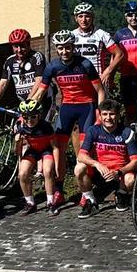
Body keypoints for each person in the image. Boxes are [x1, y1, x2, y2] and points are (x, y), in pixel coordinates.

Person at [30, 30, 105, 211]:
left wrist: (100, 114)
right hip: (67, 108)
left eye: (68, 48)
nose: (64, 52)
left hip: (86, 107)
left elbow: (100, 91)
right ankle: (59, 189)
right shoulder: (52, 67)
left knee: (83, 151)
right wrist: (29, 109)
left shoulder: (85, 64)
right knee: (59, 149)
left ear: (73, 47)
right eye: (61, 48)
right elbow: (41, 92)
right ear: (57, 49)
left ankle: (86, 192)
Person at [75, 99, 137, 217]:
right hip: (101, 172)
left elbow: (136, 161)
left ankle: (122, 194)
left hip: (119, 174)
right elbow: (81, 155)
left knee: (130, 179)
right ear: (100, 116)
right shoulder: (93, 131)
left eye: (112, 114)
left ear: (117, 115)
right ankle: (91, 201)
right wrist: (97, 164)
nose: (108, 118)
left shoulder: (127, 132)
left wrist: (118, 172)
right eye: (105, 114)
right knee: (79, 168)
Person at [14, 99, 58, 215]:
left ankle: (51, 202)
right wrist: (17, 142)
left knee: (48, 171)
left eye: (33, 117)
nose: (29, 120)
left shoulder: (46, 127)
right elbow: (17, 152)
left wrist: (57, 167)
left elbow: (55, 147)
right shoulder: (21, 126)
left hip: (46, 150)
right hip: (33, 150)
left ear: (39, 115)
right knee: (22, 174)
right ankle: (30, 203)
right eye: (25, 117)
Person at [0, 28, 47, 109]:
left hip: (40, 100)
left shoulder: (36, 57)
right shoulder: (10, 61)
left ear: (28, 44)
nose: (19, 50)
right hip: (23, 103)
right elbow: (2, 84)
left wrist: (28, 101)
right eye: (16, 46)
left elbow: (39, 80)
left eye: (22, 46)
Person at [71, 2, 125, 88]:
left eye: (87, 16)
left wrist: (108, 72)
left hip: (98, 79)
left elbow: (120, 54)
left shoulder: (101, 34)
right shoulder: (71, 35)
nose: (84, 20)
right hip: (78, 80)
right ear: (76, 18)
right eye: (80, 16)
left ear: (92, 17)